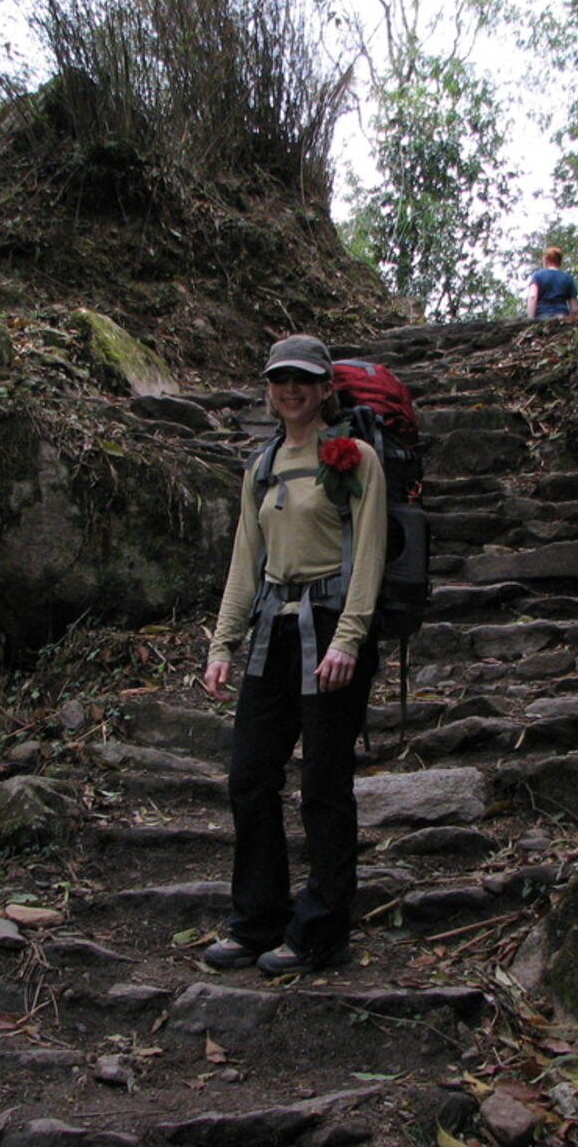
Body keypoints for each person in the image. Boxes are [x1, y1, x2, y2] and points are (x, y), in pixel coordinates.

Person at [199, 334, 386, 976]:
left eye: (303, 379)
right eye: (280, 378)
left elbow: (368, 555)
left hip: (333, 624)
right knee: (250, 777)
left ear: (325, 387)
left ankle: (322, 932)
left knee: (323, 785)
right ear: (269, 388)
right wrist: (223, 643)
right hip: (274, 630)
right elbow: (244, 561)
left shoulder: (355, 457)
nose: (290, 389)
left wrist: (350, 639)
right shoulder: (263, 463)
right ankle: (258, 920)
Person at [527, 245, 578, 319]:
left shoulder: (537, 276)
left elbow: (532, 297)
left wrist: (530, 318)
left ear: (546, 260)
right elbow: (574, 305)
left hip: (542, 315)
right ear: (560, 261)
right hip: (561, 315)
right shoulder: (568, 278)